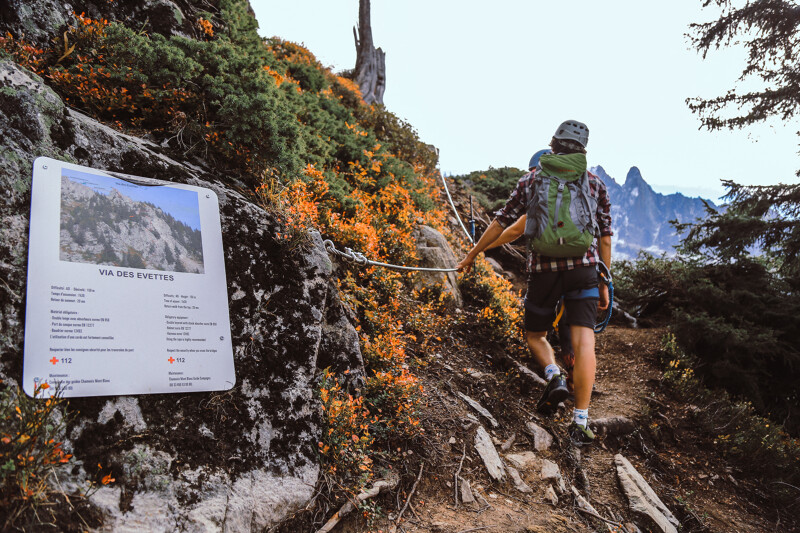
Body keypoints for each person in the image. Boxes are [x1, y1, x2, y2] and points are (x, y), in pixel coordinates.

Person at [457, 120, 612, 445]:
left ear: (553, 144)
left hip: (543, 272)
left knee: (535, 334)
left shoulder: (532, 180)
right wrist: (604, 281)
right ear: (583, 150)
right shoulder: (595, 183)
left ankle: (554, 376)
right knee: (586, 344)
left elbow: (502, 221)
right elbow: (605, 238)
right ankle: (580, 423)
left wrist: (472, 255)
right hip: (583, 270)